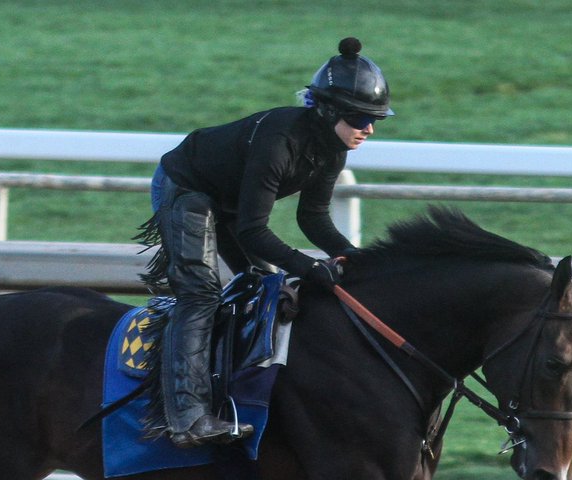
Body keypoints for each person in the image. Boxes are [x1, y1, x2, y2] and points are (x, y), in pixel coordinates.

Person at [141, 36, 394, 448]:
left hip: (228, 198)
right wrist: (309, 267)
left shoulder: (333, 149)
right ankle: (188, 419)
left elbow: (313, 218)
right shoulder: (279, 141)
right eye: (359, 118)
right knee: (201, 294)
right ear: (327, 110)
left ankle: (249, 400)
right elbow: (252, 230)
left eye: (375, 120)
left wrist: (352, 255)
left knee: (268, 290)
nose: (367, 129)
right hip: (187, 186)